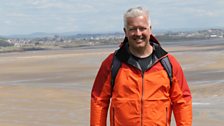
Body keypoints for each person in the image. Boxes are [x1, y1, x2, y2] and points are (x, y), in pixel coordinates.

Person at [91, 6, 192, 126]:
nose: (138, 33)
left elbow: (183, 101)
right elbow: (98, 100)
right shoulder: (112, 63)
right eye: (133, 29)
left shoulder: (168, 63)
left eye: (142, 28)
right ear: (125, 31)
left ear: (150, 29)